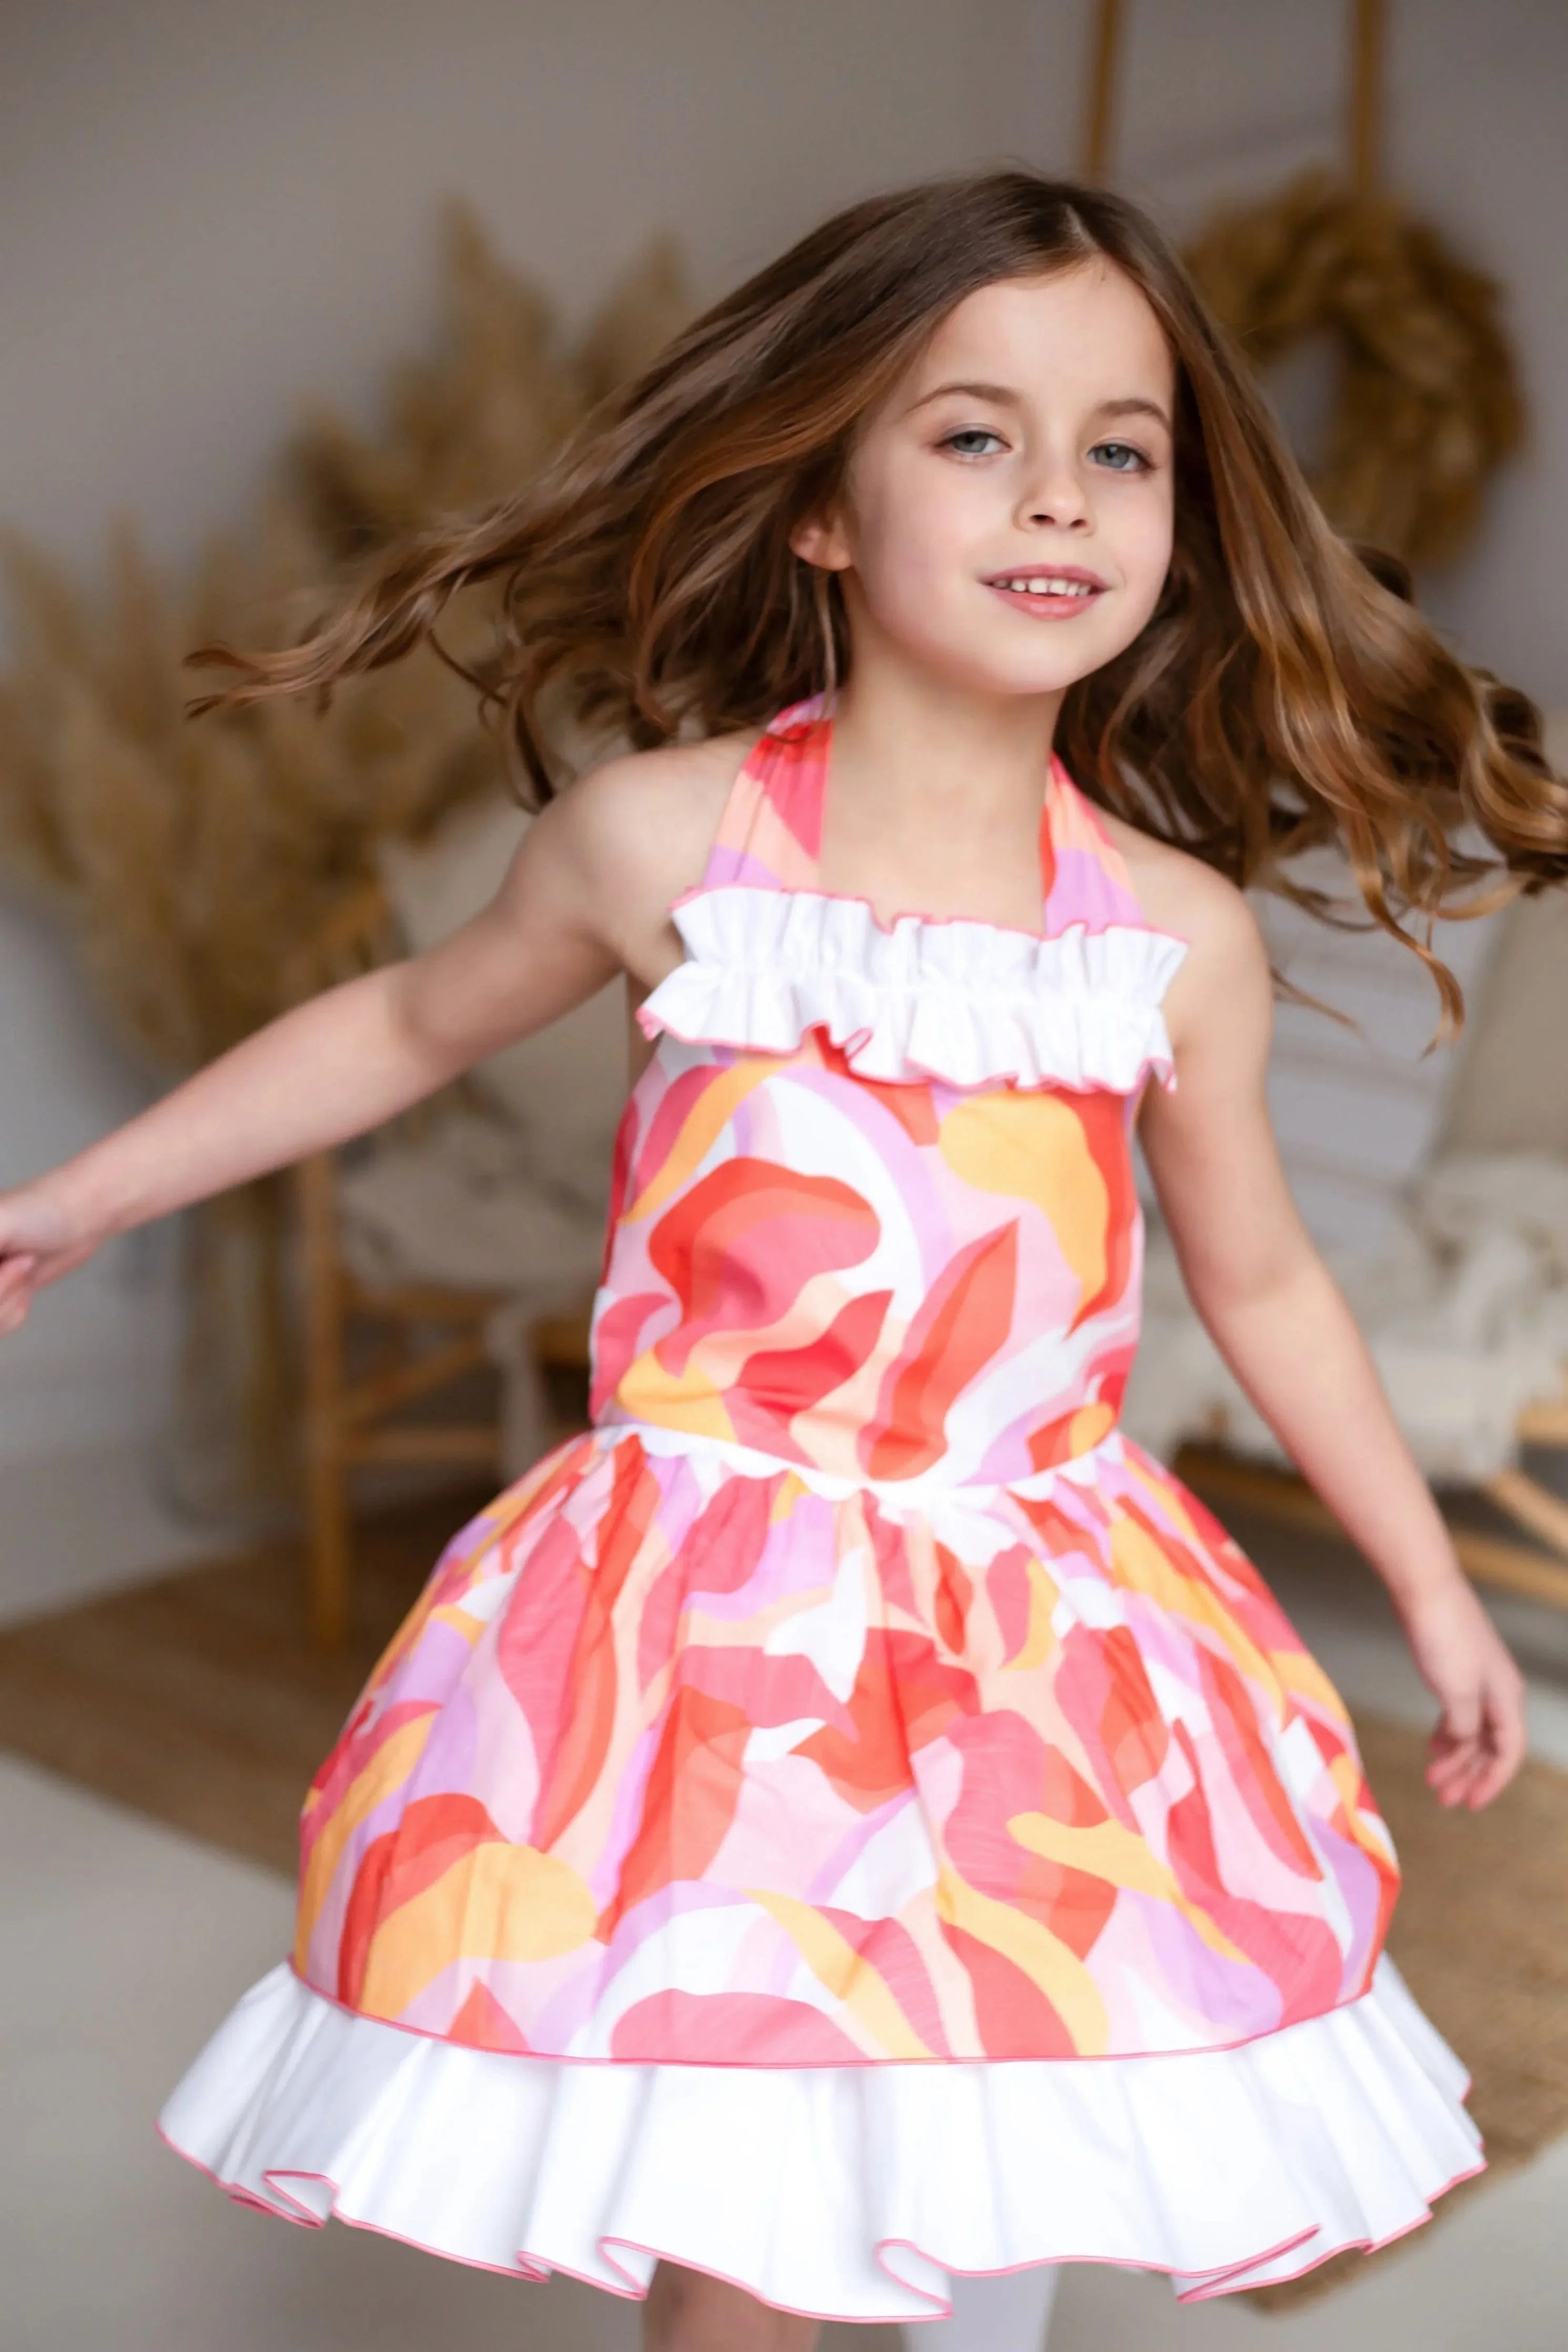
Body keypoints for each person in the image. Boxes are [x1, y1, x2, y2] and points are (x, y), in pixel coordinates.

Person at [1, 170, 1561, 2352]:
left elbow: (1269, 1284)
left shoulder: (1170, 939)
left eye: (1119, 447)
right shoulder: (666, 842)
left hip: (1033, 1629)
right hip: (710, 1637)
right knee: (748, 2221)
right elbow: (404, 1023)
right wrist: (78, 1194)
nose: (1058, 493)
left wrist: (1418, 1577)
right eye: (969, 432)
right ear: (818, 504)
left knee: (989, 2134)